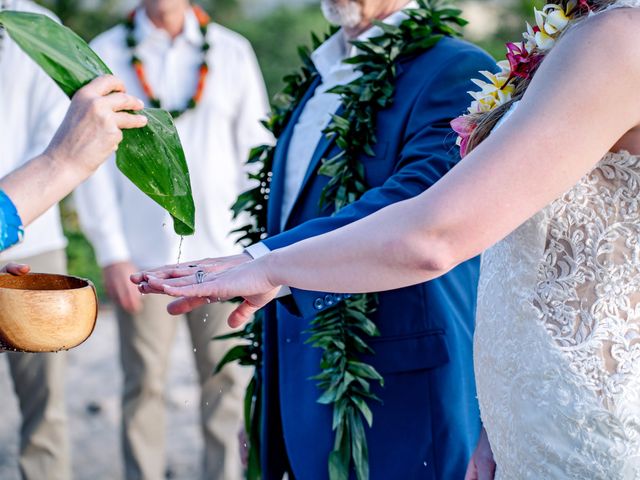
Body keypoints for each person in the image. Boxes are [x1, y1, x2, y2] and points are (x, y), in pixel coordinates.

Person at [137, 0, 640, 477]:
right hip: (528, 409)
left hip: (483, 397)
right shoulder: (576, 33)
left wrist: (269, 263)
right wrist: (501, 423)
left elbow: (429, 218)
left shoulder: (610, 39)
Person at [73, 1, 270, 478]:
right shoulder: (103, 54)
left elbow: (258, 151)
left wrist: (257, 248)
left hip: (223, 256)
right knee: (143, 387)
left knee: (226, 384)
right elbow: (87, 163)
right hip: (141, 258)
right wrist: (112, 253)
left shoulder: (230, 51)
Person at [0, 1, 146, 478]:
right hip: (19, 208)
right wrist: (57, 166)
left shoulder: (39, 25)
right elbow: (65, 151)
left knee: (46, 404)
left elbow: (59, 131)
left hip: (32, 239)